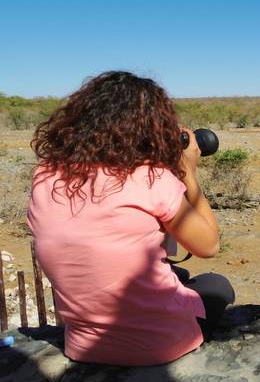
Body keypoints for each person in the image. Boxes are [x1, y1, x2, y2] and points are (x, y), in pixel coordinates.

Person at [27, 71, 235, 366]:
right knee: (216, 284)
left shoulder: (46, 176)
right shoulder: (152, 179)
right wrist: (188, 171)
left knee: (176, 275)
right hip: (160, 346)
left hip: (82, 346)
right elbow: (209, 245)